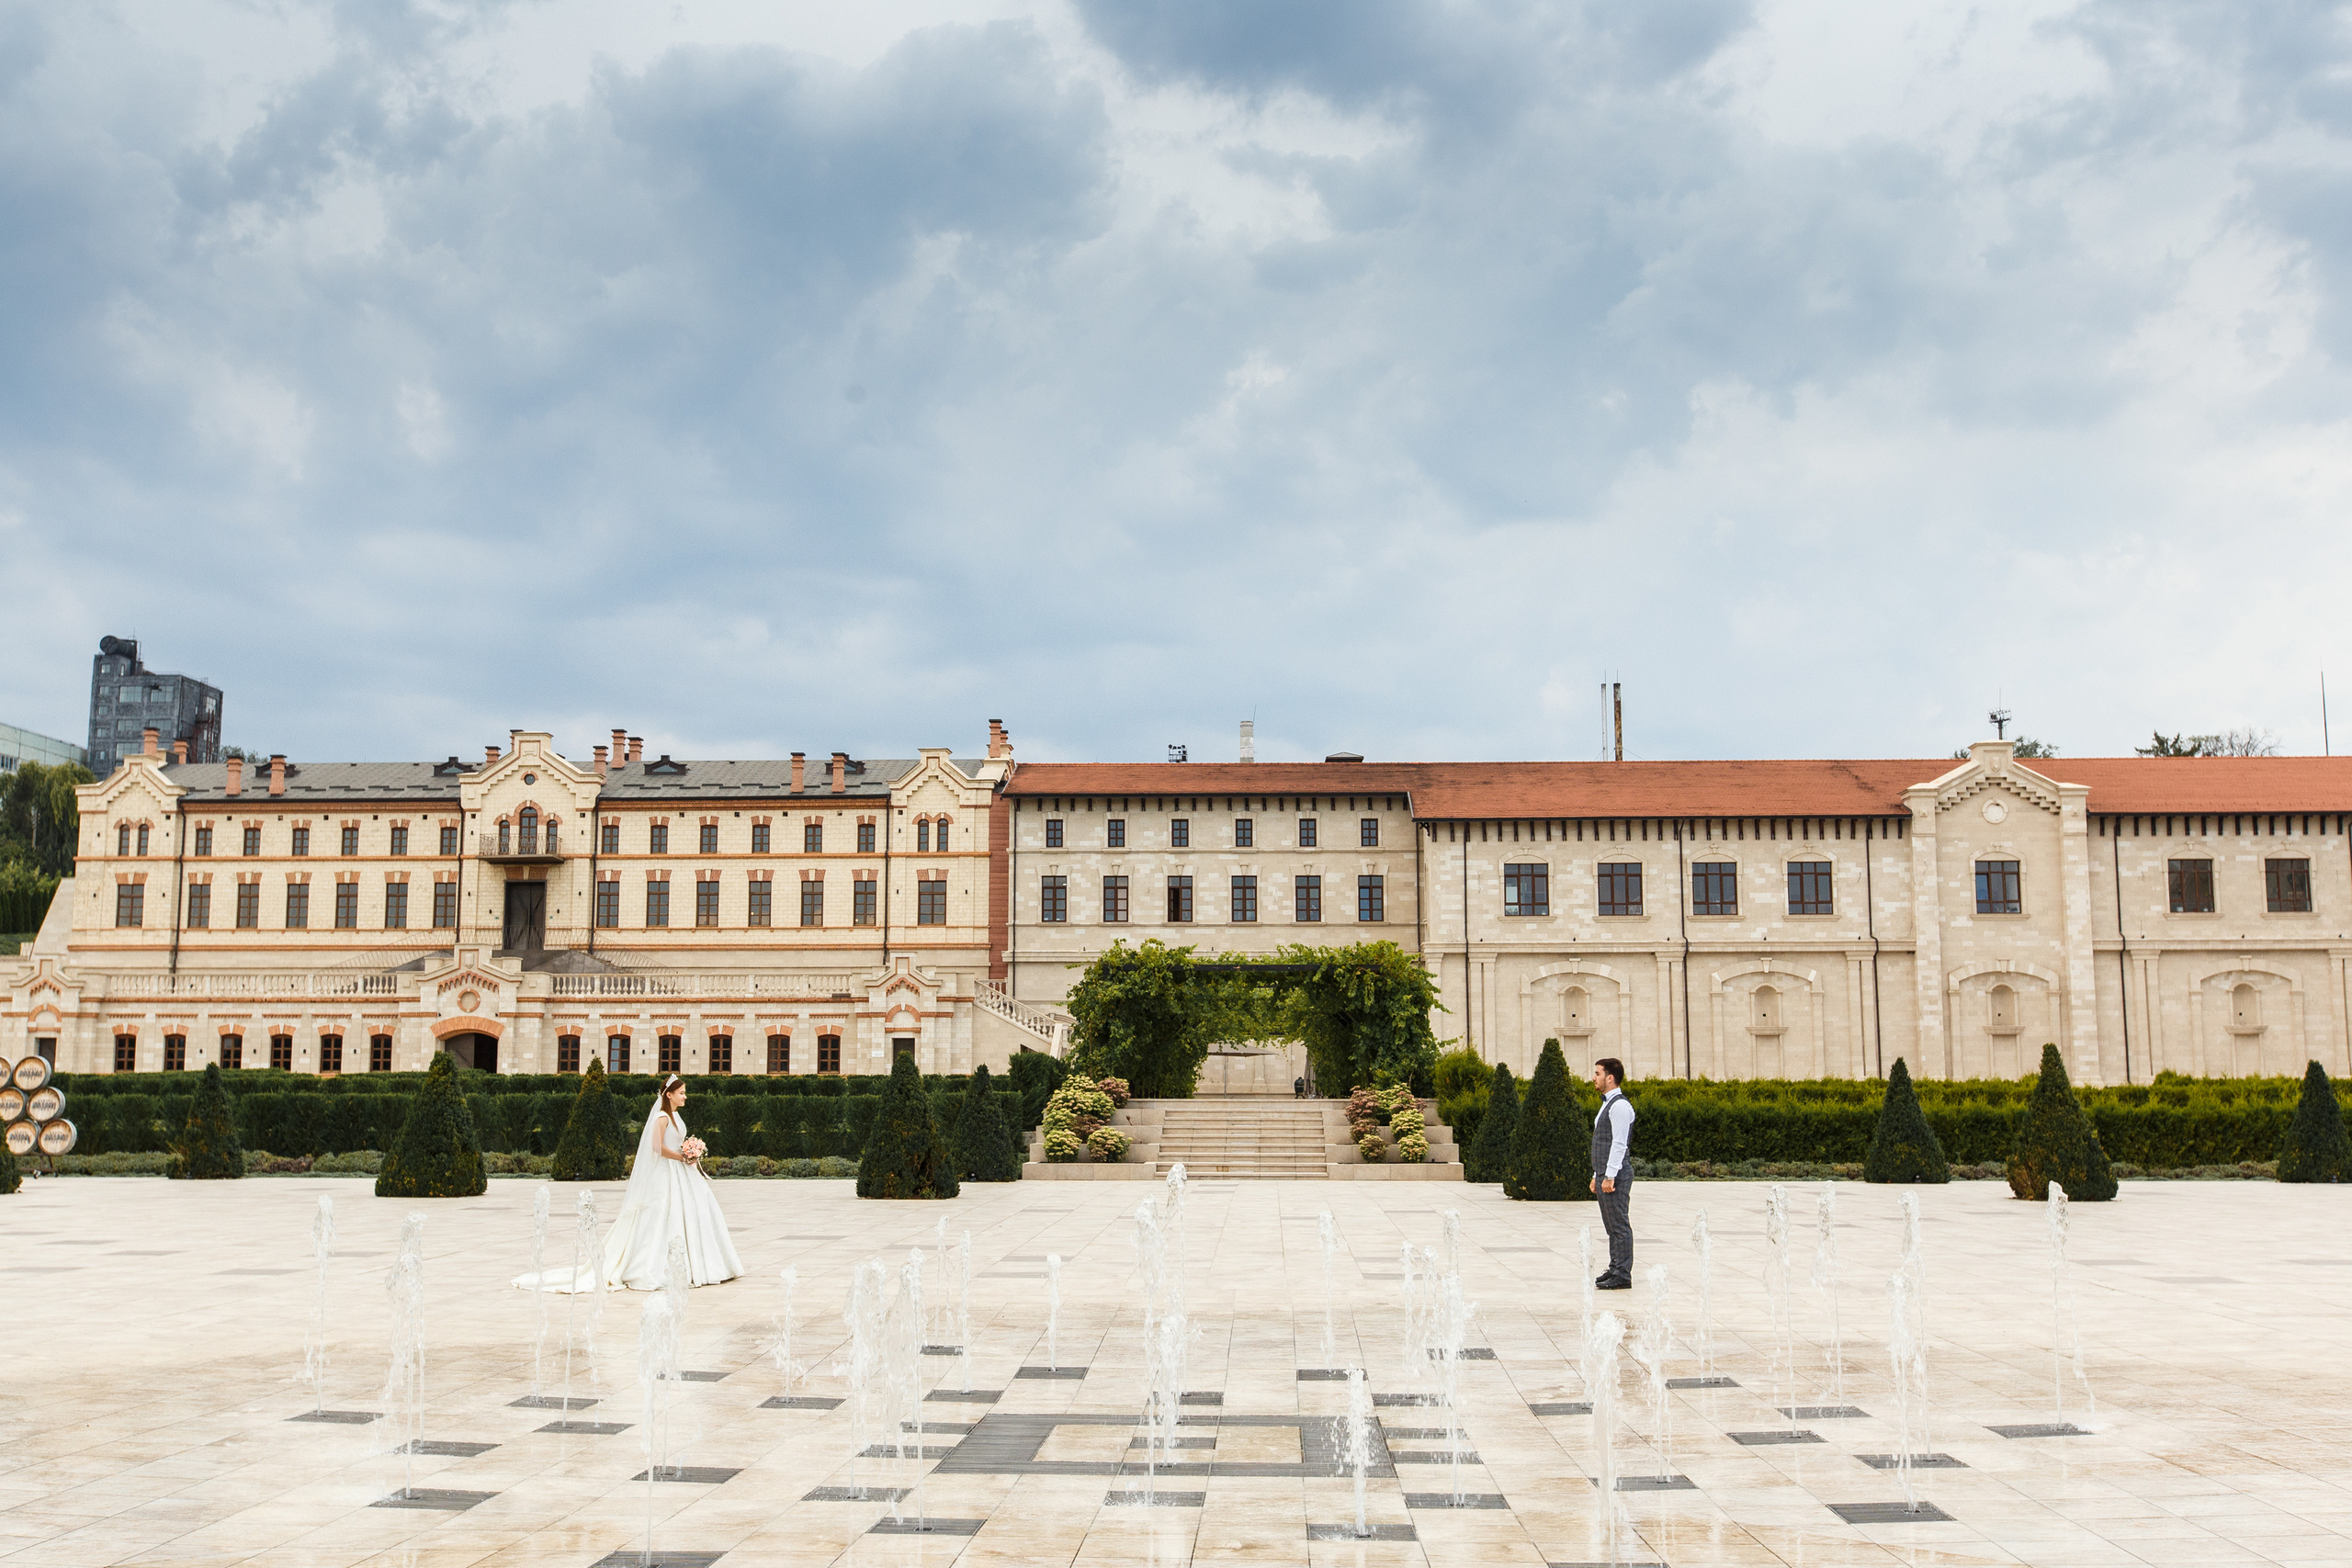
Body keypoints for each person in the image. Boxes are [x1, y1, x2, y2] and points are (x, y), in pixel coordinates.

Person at [514, 1073, 743, 1292]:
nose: (685, 1097)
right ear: (669, 1095)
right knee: (664, 1214)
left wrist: (689, 1152)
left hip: (682, 1171)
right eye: (681, 1093)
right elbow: (657, 1148)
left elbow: (674, 1142)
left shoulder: (675, 1116)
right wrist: (682, 1156)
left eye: (685, 1093)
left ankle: (704, 1262)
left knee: (696, 1212)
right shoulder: (662, 1117)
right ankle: (655, 1265)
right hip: (668, 1170)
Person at [1589, 1056, 1635, 1290]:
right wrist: (1597, 1175)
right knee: (1611, 1225)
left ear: (1610, 1077)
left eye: (1597, 1073)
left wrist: (1609, 1176)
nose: (1594, 1078)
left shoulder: (1620, 1106)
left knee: (1619, 1225)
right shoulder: (1607, 1104)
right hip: (1605, 1174)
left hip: (1616, 1175)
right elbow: (1602, 1142)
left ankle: (1622, 1273)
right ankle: (1615, 1266)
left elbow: (1619, 1144)